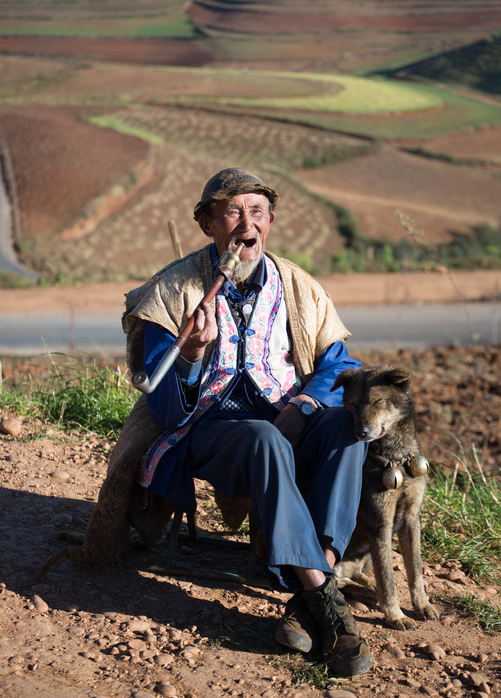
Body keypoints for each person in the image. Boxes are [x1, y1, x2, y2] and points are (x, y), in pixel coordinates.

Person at [126, 167, 372, 677]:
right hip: (213, 431)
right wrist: (191, 353)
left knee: (346, 428)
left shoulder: (297, 285)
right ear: (207, 225)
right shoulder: (172, 292)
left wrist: (305, 405)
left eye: (256, 212)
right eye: (232, 212)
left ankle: (309, 589)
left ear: (270, 223)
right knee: (263, 439)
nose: (246, 224)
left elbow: (341, 365)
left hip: (291, 418)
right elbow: (165, 407)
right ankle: (328, 602)